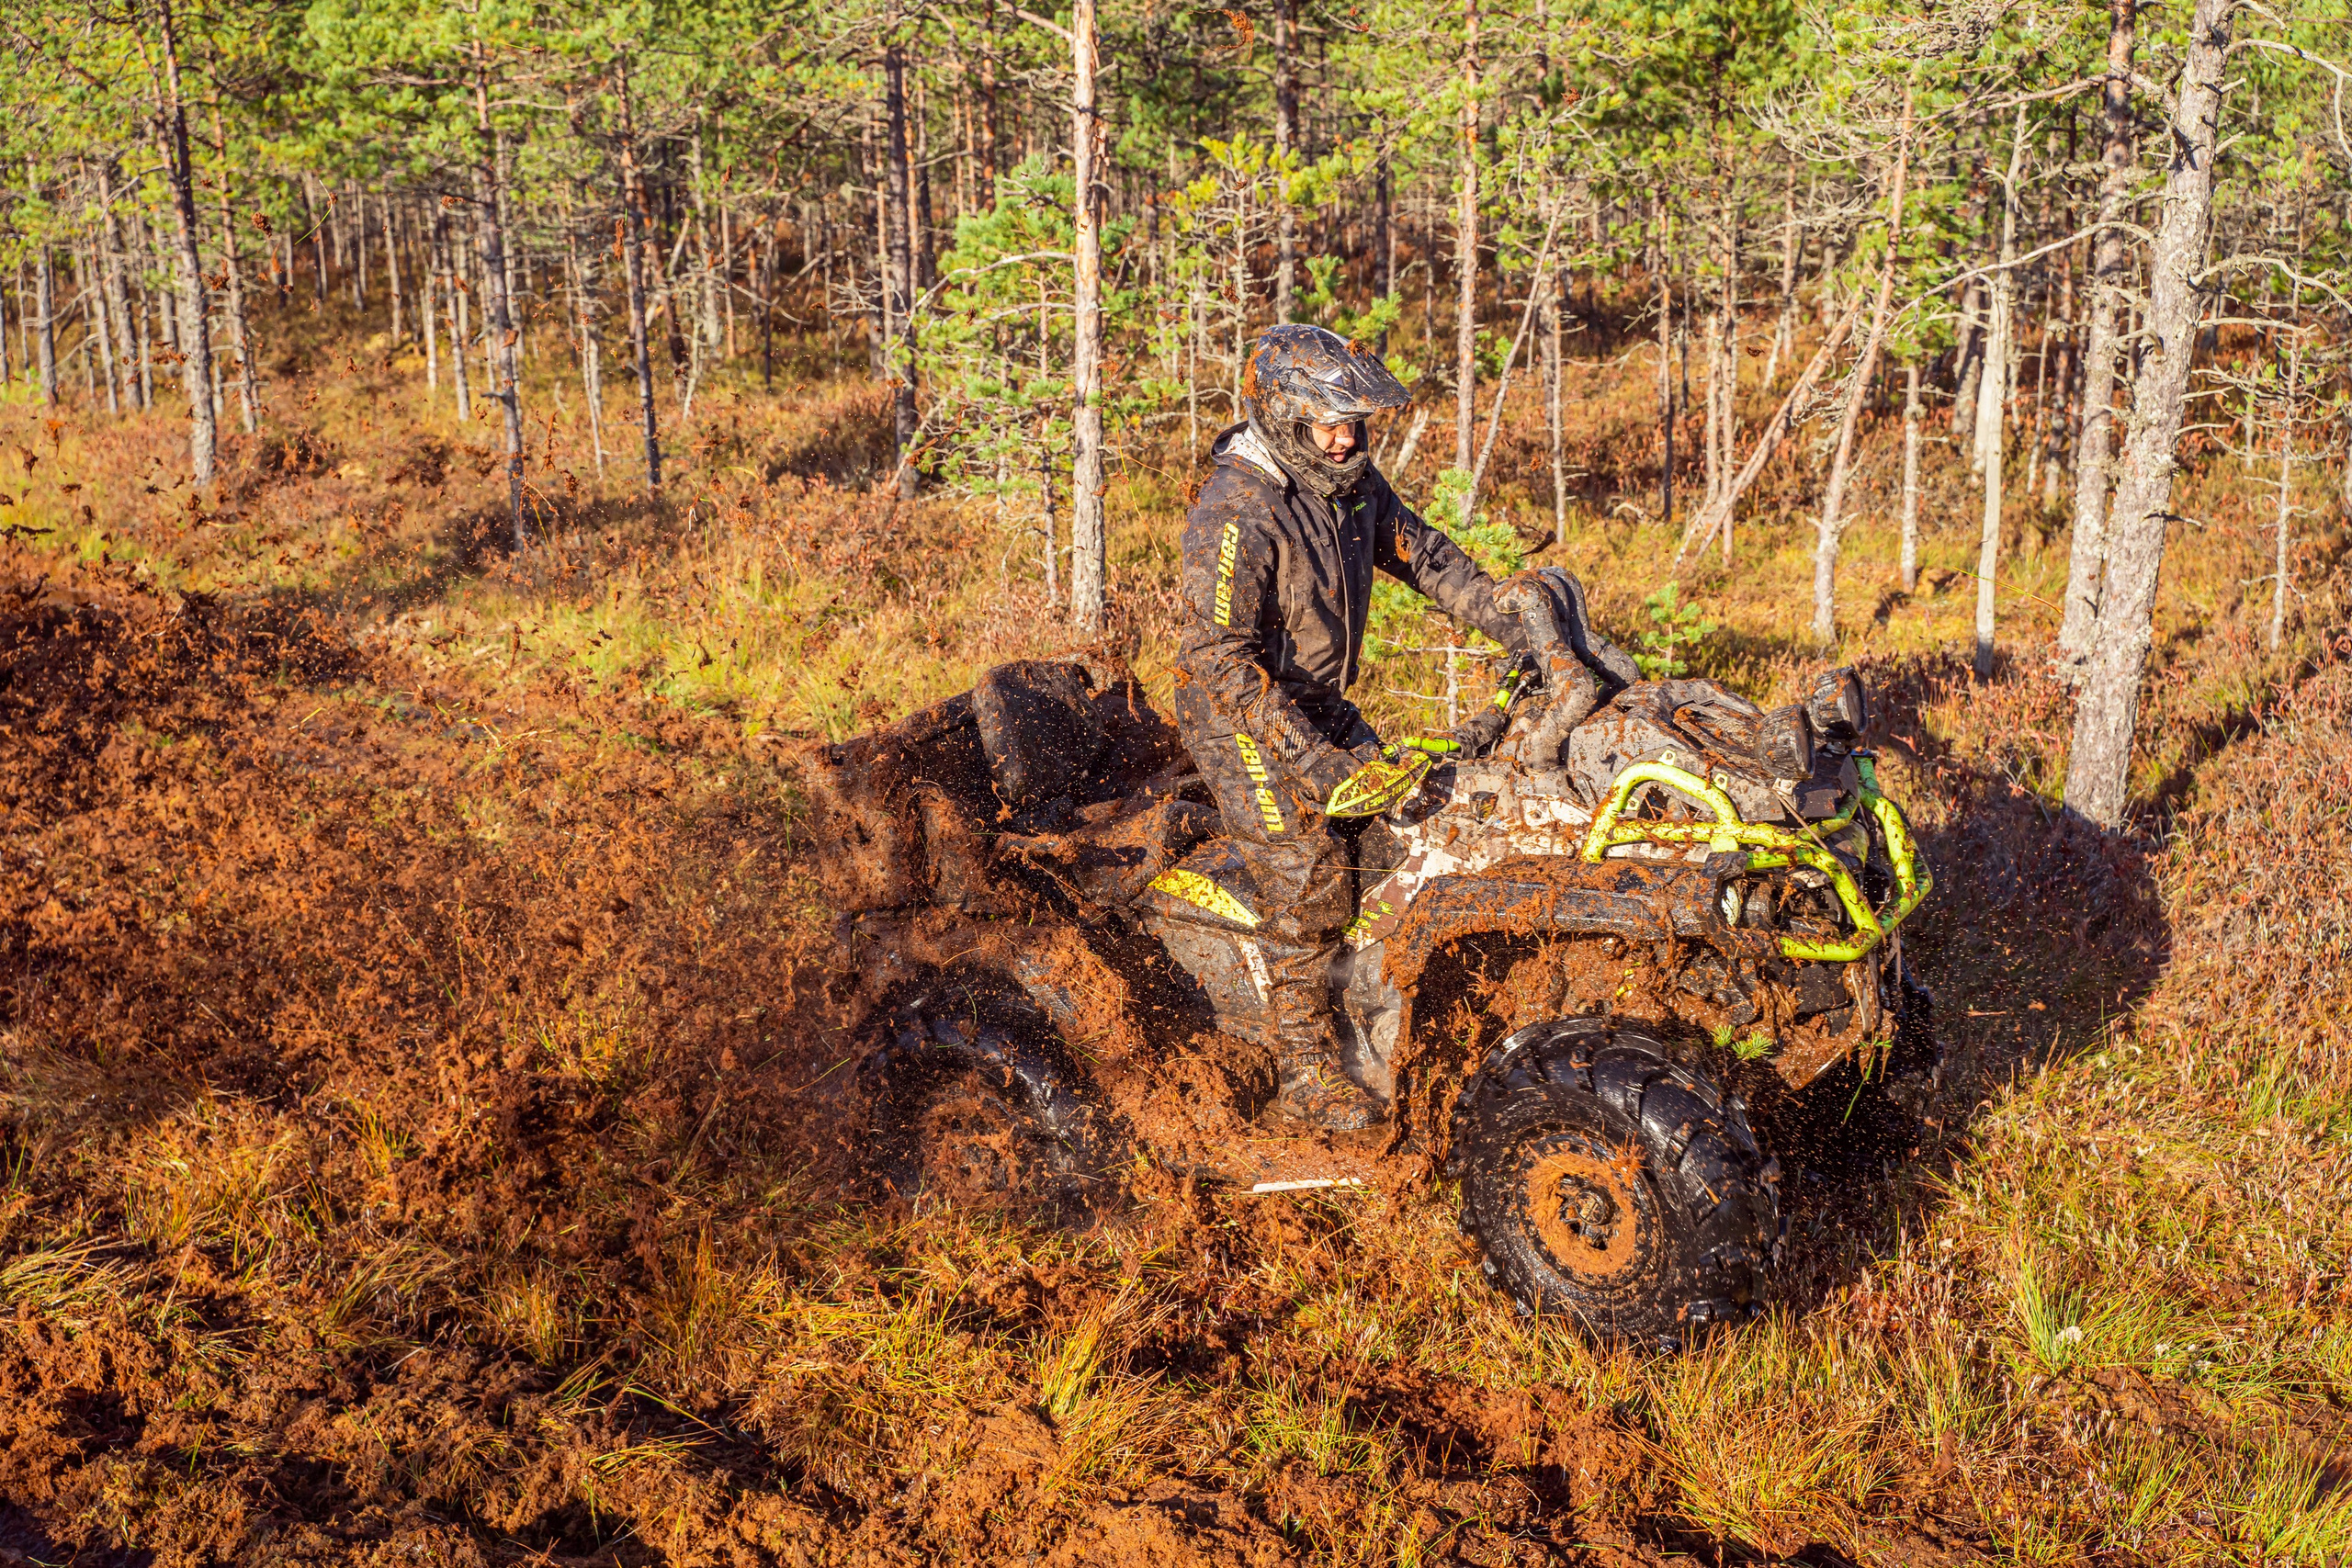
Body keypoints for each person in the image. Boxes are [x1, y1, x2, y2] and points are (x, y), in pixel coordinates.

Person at [1174, 324, 1533, 1130]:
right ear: (1285, 419)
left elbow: (1427, 557)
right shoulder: (1238, 509)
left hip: (1315, 696)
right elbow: (1214, 659)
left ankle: (1371, 1010)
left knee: (1397, 827)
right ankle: (1303, 1073)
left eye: (1356, 425)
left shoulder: (1352, 482)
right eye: (1330, 426)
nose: (1347, 440)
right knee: (1307, 877)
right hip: (1241, 712)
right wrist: (1310, 761)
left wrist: (1516, 619)